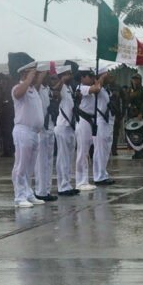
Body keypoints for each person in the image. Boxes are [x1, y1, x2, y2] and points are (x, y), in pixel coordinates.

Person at [11, 62, 45, 207]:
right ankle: (19, 197)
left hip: (34, 132)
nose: (36, 76)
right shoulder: (19, 88)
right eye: (33, 73)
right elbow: (18, 94)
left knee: (30, 166)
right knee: (21, 165)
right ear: (25, 74)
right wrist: (27, 80)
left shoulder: (33, 90)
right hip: (23, 130)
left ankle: (28, 193)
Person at [53, 65, 80, 196]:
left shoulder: (69, 88)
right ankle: (62, 186)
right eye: (67, 74)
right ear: (61, 76)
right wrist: (61, 81)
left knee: (69, 157)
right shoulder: (61, 86)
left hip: (70, 126)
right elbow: (54, 91)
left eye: (71, 73)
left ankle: (68, 184)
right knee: (63, 157)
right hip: (62, 126)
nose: (71, 76)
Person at [33, 63, 58, 202]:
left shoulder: (47, 89)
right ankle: (40, 191)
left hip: (50, 128)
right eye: (48, 74)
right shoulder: (37, 88)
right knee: (41, 162)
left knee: (48, 161)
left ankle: (46, 190)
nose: (50, 77)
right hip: (41, 130)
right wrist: (40, 77)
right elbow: (35, 88)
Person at [74, 67, 100, 191]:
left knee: (86, 151)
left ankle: (84, 179)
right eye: (90, 76)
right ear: (83, 77)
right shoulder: (81, 87)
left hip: (89, 120)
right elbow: (96, 88)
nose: (92, 79)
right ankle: (81, 181)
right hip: (83, 120)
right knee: (82, 152)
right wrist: (98, 80)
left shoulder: (86, 87)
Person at [93, 68, 116, 185]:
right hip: (101, 122)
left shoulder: (107, 90)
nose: (110, 76)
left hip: (108, 123)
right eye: (107, 74)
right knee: (100, 150)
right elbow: (97, 87)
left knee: (106, 150)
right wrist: (101, 78)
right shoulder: (98, 88)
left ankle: (103, 174)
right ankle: (99, 176)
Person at [125, 74, 143, 160]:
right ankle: (135, 151)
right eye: (134, 79)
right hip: (131, 114)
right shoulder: (130, 90)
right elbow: (126, 100)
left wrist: (141, 113)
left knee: (140, 133)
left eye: (136, 79)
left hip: (139, 114)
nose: (135, 81)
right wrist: (130, 95)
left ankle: (140, 152)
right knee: (133, 134)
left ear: (140, 80)